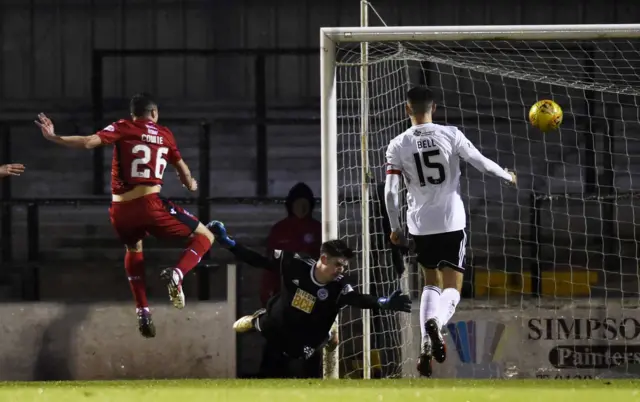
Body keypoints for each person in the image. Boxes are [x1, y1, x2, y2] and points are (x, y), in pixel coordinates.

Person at [34, 93, 216, 338]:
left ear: (134, 114)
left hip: (120, 211)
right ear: (153, 113)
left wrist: (54, 137)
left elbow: (89, 142)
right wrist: (191, 184)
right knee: (205, 235)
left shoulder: (123, 126)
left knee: (133, 247)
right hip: (150, 203)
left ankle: (142, 310)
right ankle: (178, 273)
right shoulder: (165, 134)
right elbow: (182, 169)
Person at [384, 86, 516, 377]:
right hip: (451, 221)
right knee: (452, 288)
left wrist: (395, 227)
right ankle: (438, 325)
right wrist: (507, 176)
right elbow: (481, 163)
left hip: (419, 225)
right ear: (435, 108)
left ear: (407, 109)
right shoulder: (451, 134)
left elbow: (391, 193)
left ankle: (424, 349)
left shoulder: (398, 144)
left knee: (430, 281)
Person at [208, 220, 411, 378]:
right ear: (323, 259)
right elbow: (259, 261)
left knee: (302, 356)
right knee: (270, 339)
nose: (342, 270)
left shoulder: (339, 286)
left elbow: (358, 299)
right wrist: (230, 244)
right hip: (278, 320)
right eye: (338, 265)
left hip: (310, 334)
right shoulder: (295, 263)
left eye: (345, 266)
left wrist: (383, 302)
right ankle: (256, 321)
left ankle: (329, 337)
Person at [260, 182, 322, 378]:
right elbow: (269, 265)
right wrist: (267, 293)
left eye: (305, 204)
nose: (301, 208)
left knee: (309, 339)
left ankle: (311, 378)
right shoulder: (279, 230)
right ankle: (270, 378)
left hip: (307, 296)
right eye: (298, 204)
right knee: (277, 337)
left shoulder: (319, 229)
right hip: (283, 295)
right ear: (290, 206)